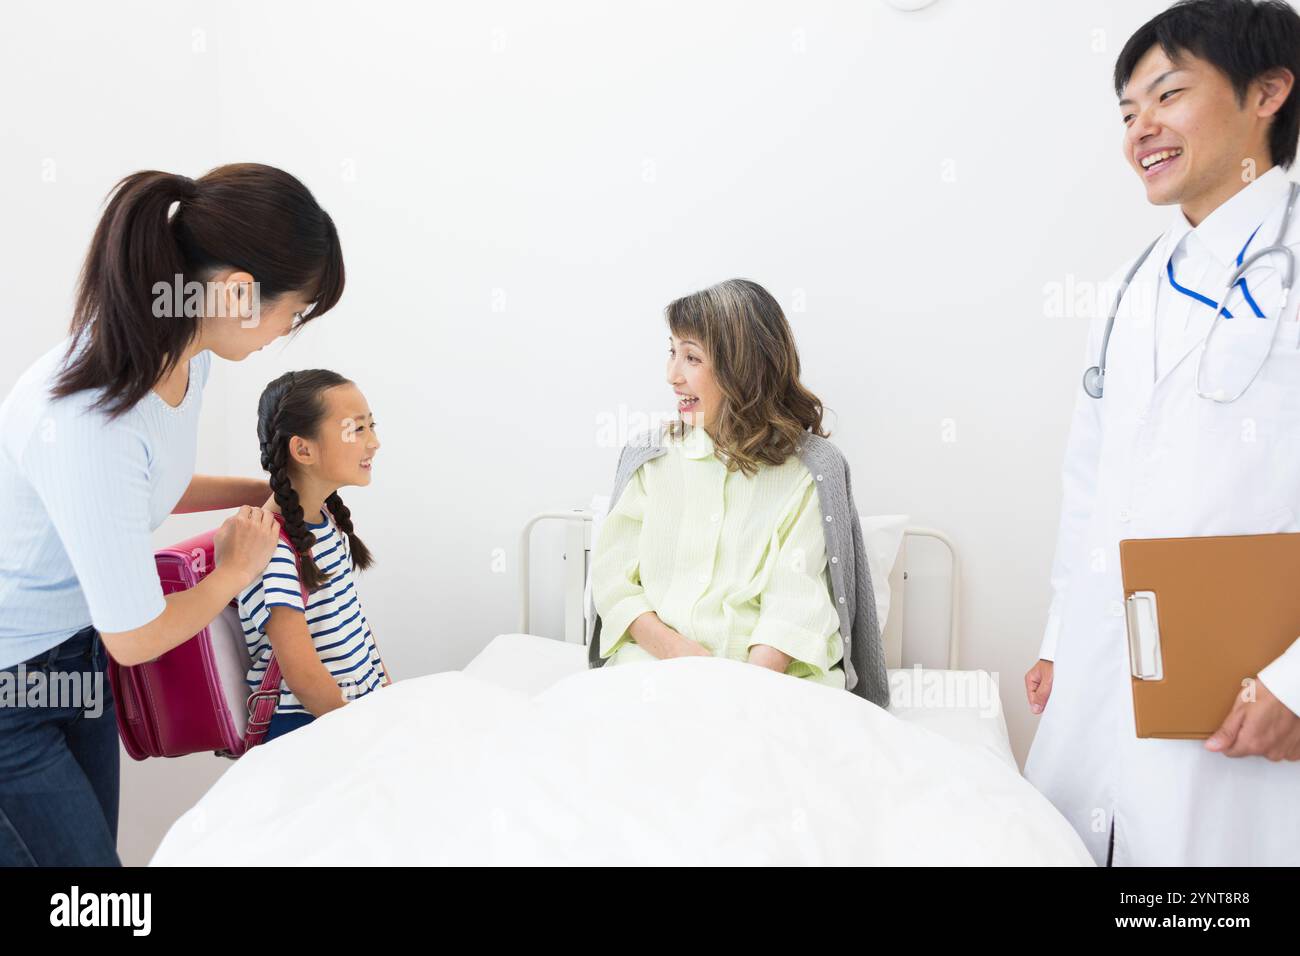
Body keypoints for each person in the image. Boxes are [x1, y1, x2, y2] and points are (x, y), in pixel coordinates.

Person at [0, 164, 346, 865]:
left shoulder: (183, 362)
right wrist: (230, 573)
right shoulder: (92, 419)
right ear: (239, 293)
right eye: (295, 311)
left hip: (76, 655)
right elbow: (134, 637)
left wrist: (260, 492)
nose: (288, 332)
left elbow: (150, 488)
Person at [1024, 0, 1300, 866]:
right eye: (1128, 111)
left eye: (1169, 94)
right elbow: (1090, 480)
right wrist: (1060, 639)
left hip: (1250, 695)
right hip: (1113, 660)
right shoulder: (1135, 285)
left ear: (1268, 92)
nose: (1141, 128)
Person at [590, 278, 889, 706]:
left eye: (691, 357)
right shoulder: (651, 459)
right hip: (651, 675)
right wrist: (679, 656)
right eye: (672, 351)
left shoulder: (810, 471)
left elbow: (794, 604)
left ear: (742, 367)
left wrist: (737, 700)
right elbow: (614, 582)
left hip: (772, 691)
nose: (672, 375)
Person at [239, 370, 390, 742]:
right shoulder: (271, 548)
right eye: (356, 430)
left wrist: (385, 695)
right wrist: (361, 734)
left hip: (348, 716)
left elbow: (355, 628)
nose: (374, 443)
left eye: (371, 426)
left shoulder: (324, 521)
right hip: (311, 730)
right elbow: (304, 679)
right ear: (303, 450)